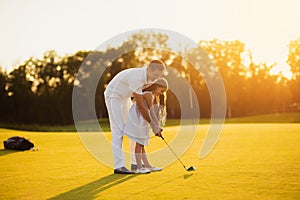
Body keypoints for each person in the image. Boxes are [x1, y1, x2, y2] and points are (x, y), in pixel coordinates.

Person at [104, 60, 166, 174]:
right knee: (119, 130)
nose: (156, 78)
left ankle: (136, 164)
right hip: (114, 96)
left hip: (125, 98)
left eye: (159, 76)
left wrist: (156, 123)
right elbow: (141, 106)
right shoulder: (137, 77)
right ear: (149, 69)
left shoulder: (150, 78)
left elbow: (153, 98)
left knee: (134, 128)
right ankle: (119, 166)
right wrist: (154, 126)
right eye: (155, 75)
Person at [124, 78, 168, 174]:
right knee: (139, 143)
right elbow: (151, 111)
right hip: (138, 120)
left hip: (143, 120)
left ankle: (148, 166)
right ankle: (139, 167)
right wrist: (156, 127)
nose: (161, 93)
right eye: (161, 90)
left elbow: (154, 113)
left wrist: (157, 126)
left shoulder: (153, 96)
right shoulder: (148, 94)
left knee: (142, 144)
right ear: (156, 87)